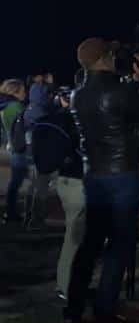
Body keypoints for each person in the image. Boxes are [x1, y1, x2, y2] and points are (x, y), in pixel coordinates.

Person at [65, 37, 139, 323]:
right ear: (105, 58)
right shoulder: (119, 90)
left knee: (91, 242)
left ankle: (74, 305)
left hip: (94, 173)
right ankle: (105, 308)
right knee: (119, 243)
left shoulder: (78, 95)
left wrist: (133, 81)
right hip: (123, 174)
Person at [31, 87, 85, 298]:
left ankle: (68, 284)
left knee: (74, 237)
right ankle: (68, 286)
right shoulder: (76, 122)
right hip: (78, 182)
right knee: (76, 237)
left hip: (64, 181)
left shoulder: (52, 119)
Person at [23, 73, 57, 229]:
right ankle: (36, 218)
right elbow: (48, 104)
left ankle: (29, 215)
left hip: (31, 153)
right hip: (39, 152)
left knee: (34, 184)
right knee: (41, 184)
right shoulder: (40, 112)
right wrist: (50, 87)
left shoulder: (30, 108)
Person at [1, 79, 29, 225]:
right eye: (23, 90)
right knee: (25, 182)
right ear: (14, 92)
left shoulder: (4, 106)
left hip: (13, 146)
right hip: (22, 148)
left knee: (16, 182)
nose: (25, 93)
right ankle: (13, 212)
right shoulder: (16, 107)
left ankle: (10, 212)